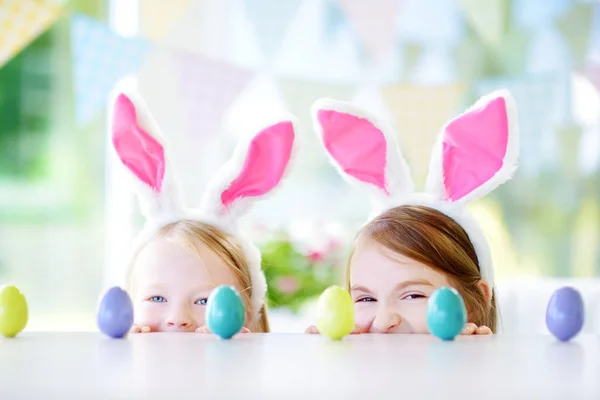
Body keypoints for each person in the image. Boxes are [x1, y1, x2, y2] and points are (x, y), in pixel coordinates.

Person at [306, 90, 518, 334]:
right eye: (366, 299)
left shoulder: (489, 370)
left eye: (413, 295)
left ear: (472, 305)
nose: (383, 321)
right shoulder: (347, 367)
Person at [110, 83, 296, 333]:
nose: (177, 319)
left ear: (247, 316)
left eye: (205, 301)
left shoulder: (250, 364)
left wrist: (234, 358)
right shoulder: (127, 360)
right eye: (156, 299)